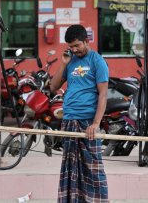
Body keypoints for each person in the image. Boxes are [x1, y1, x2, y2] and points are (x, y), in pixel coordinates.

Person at [50, 24, 109, 202]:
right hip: (69, 120)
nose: (75, 50)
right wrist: (64, 63)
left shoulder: (97, 61)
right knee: (71, 167)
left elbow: (103, 94)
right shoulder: (71, 61)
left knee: (93, 167)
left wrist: (96, 123)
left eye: (77, 45)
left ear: (86, 41)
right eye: (71, 46)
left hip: (88, 121)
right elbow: (53, 87)